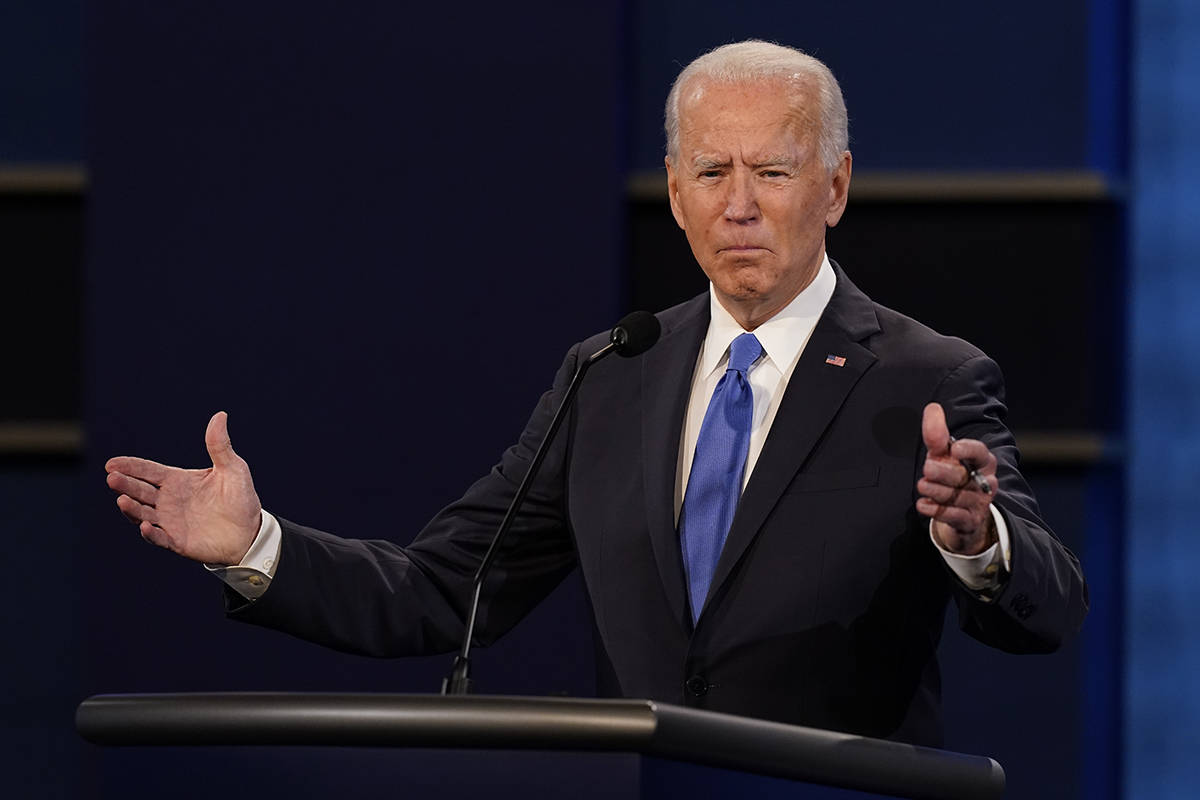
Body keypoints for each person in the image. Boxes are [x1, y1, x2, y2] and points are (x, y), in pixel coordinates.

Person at [104, 40, 1087, 747]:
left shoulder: (925, 377)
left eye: (772, 171)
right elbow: (449, 588)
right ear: (673, 191)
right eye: (711, 170)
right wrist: (257, 546)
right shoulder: (611, 373)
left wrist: (974, 539)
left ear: (833, 187)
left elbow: (1048, 608)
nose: (738, 202)